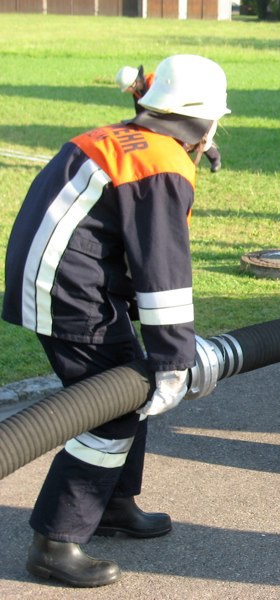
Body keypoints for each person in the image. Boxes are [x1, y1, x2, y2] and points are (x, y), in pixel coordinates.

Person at [3, 54, 230, 588]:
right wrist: (175, 361)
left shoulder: (126, 139)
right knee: (110, 411)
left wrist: (161, 357)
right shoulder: (161, 166)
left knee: (130, 381)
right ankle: (55, 542)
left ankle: (111, 503)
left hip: (62, 276)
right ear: (206, 120)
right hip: (69, 290)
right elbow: (163, 270)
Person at [115, 64, 223, 173]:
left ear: (134, 83)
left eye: (128, 88)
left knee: (193, 137)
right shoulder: (138, 91)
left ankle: (215, 158)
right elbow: (140, 111)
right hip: (162, 117)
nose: (128, 91)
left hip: (178, 112)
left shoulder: (155, 83)